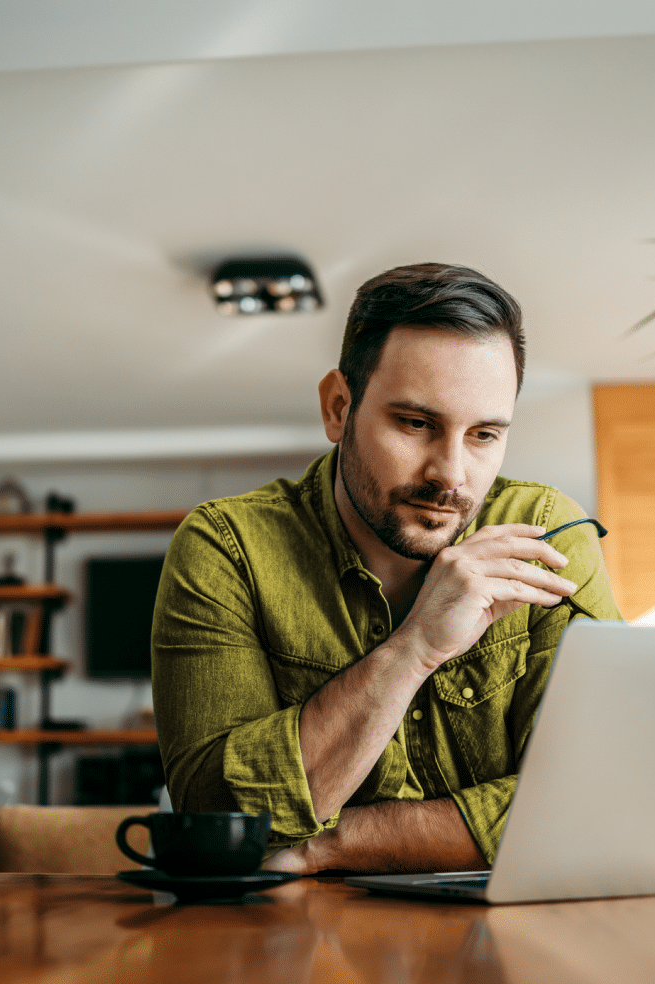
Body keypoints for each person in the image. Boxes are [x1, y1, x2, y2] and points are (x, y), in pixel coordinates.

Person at [151, 263, 621, 874]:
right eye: (417, 424)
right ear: (339, 407)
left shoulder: (547, 532)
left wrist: (330, 843)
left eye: (483, 435)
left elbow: (600, 797)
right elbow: (218, 822)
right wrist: (416, 647)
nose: (450, 476)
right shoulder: (227, 548)